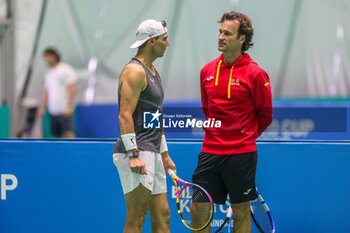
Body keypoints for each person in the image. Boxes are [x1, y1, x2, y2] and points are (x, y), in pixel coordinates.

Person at [192, 11, 273, 233]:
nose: (221, 36)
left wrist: (243, 136)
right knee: (198, 208)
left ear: (241, 39)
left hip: (241, 156)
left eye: (227, 33)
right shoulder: (206, 71)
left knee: (240, 211)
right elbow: (207, 109)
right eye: (220, 32)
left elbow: (265, 115)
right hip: (210, 152)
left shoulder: (256, 74)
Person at [112, 19, 176, 233]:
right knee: (136, 218)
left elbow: (155, 117)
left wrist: (164, 154)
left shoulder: (153, 71)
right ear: (151, 41)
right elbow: (124, 115)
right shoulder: (134, 71)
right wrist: (133, 154)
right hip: (137, 152)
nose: (167, 44)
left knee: (163, 216)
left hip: (153, 151)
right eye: (164, 39)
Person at [38, 48, 77, 138]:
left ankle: (74, 151)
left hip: (64, 109)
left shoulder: (66, 69)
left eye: (47, 57)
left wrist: (69, 106)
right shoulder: (48, 74)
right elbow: (46, 92)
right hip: (52, 110)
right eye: (45, 58)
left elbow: (72, 88)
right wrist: (42, 108)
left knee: (68, 132)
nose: (46, 60)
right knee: (56, 136)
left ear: (54, 56)